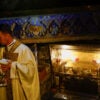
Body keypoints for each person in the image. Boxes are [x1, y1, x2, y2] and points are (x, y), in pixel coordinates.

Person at [0, 24, 40, 100]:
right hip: (7, 88)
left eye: (0, 36)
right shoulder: (3, 50)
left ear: (6, 35)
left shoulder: (24, 50)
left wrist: (13, 65)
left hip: (18, 90)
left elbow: (31, 70)